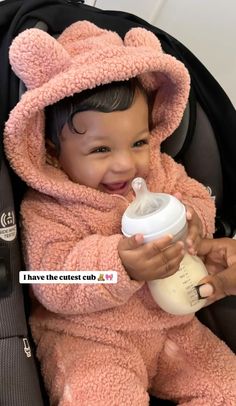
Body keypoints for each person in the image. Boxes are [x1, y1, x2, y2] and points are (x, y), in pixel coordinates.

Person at [4, 21, 236, 405]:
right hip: (90, 338)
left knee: (228, 388)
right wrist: (119, 266)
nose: (126, 165)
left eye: (139, 142)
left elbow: (196, 196)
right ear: (51, 151)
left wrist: (193, 221)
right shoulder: (49, 205)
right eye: (100, 150)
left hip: (174, 327)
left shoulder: (161, 171)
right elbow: (45, 276)